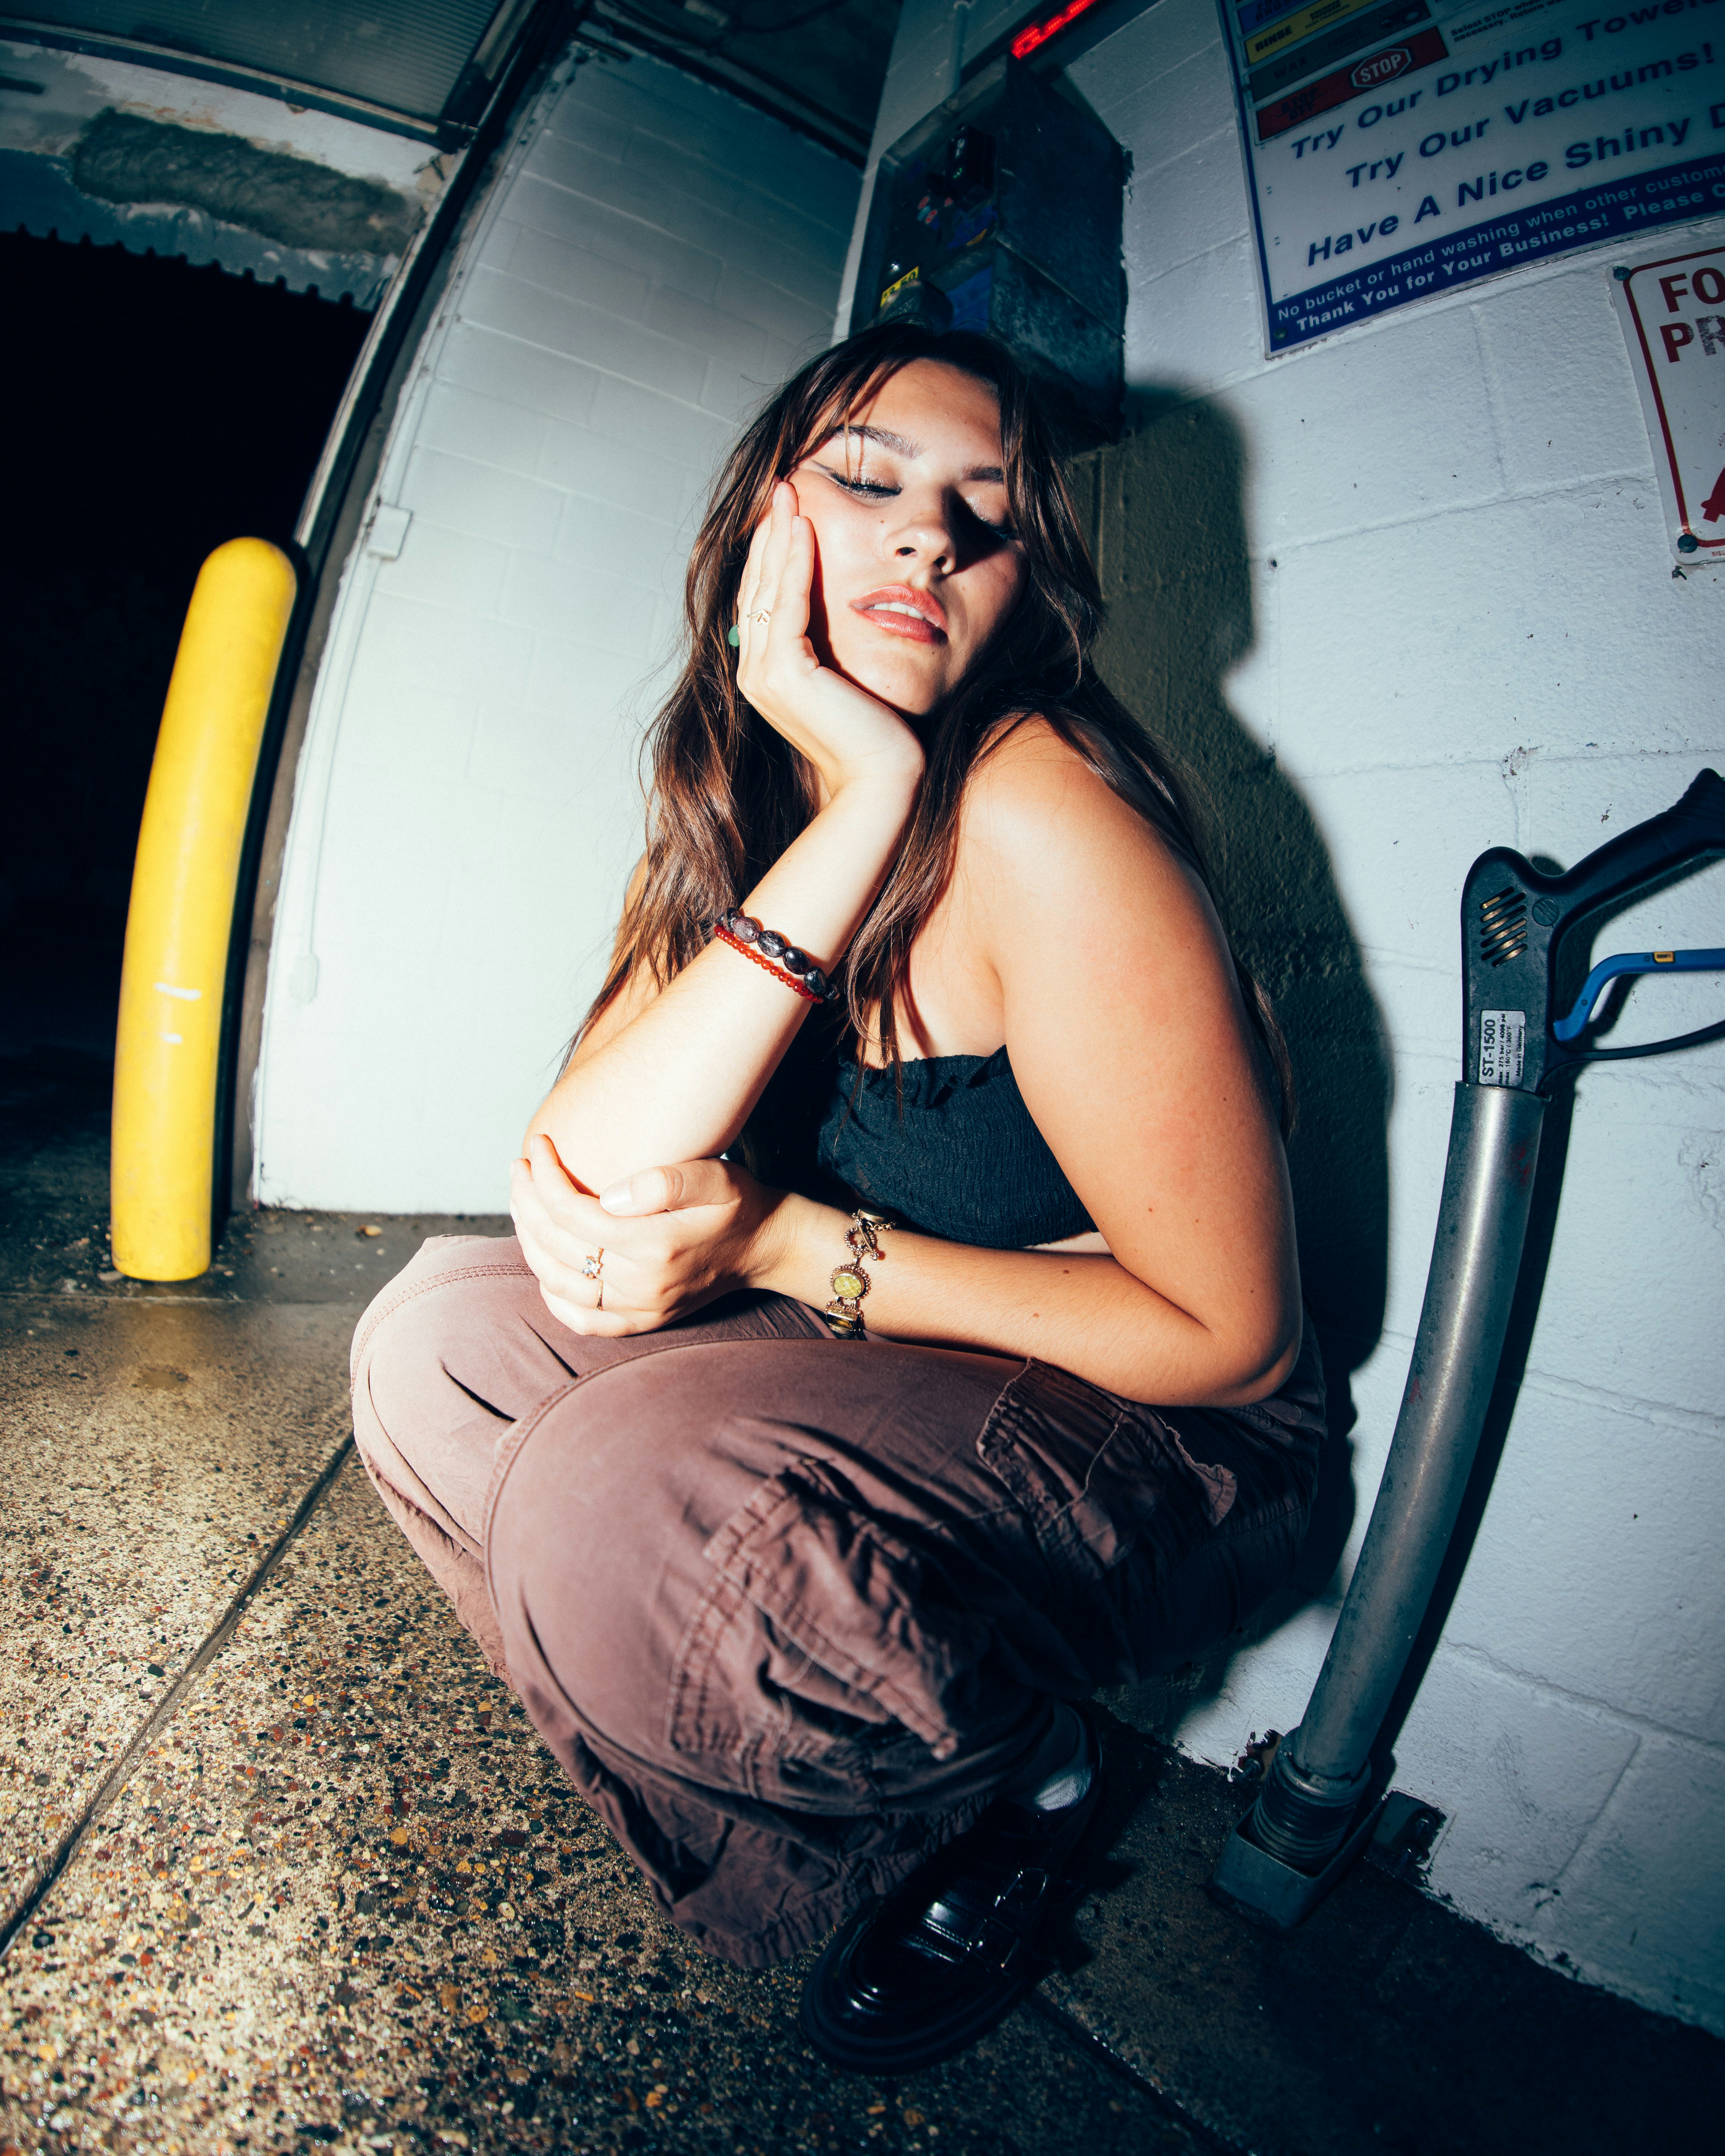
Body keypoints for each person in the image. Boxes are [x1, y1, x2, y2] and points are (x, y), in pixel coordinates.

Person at [351, 323, 1325, 2072]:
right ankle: (846, 1806)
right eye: (870, 479)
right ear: (760, 529)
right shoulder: (769, 798)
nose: (929, 538)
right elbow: (585, 1174)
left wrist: (787, 1242)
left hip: (1175, 1430)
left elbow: (1237, 1336)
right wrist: (859, 795)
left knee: (610, 1493)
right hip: (907, 1356)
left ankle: (1024, 1774)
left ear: (1028, 589)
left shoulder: (1044, 816)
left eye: (988, 512)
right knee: (439, 1336)